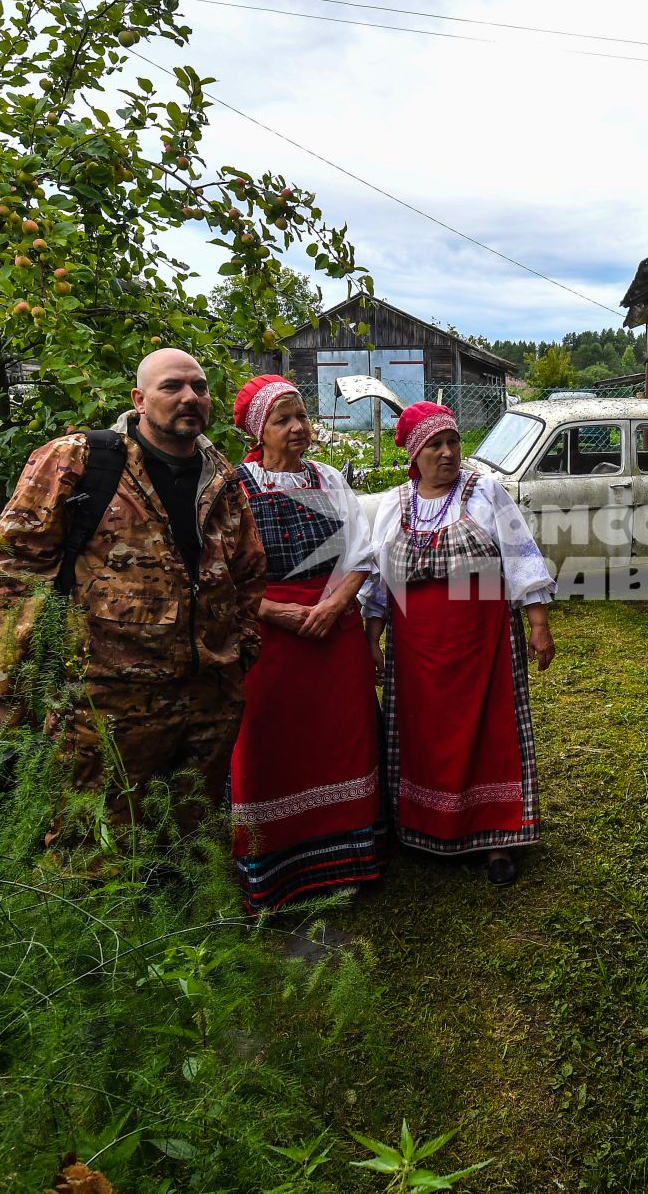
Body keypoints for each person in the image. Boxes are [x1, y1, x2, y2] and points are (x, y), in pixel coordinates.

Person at [0, 348, 266, 843]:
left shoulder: (223, 478)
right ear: (140, 399)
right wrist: (6, 690)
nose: (190, 397)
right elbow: (8, 573)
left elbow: (249, 573)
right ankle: (103, 924)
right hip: (103, 709)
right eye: (172, 387)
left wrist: (240, 655)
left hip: (209, 702)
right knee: (93, 851)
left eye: (200, 387)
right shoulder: (79, 460)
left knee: (196, 844)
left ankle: (191, 921)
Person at [364, 401, 555, 886]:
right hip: (418, 654)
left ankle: (496, 838)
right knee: (426, 738)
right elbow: (379, 583)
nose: (448, 453)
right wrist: (372, 640)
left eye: (452, 442)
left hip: (482, 647)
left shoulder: (485, 493)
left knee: (489, 737)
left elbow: (521, 558)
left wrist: (538, 624)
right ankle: (428, 828)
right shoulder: (394, 505)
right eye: (435, 445)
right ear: (413, 452)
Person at [227, 375, 385, 911]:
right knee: (269, 747)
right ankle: (275, 874)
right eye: (283, 420)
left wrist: (335, 605)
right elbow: (216, 575)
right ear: (259, 431)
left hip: (332, 634)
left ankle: (349, 860)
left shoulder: (330, 479)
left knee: (343, 738)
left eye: (301, 416)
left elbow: (361, 554)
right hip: (269, 641)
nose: (298, 428)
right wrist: (278, 612)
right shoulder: (236, 489)